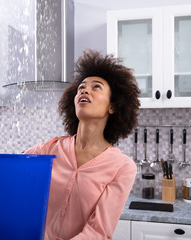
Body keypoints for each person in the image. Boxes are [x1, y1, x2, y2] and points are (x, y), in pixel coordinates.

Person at [25, 49, 141, 240]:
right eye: (81, 88)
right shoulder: (49, 149)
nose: (85, 90)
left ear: (112, 106)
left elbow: (99, 231)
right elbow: (10, 170)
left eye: (96, 87)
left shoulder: (122, 167)